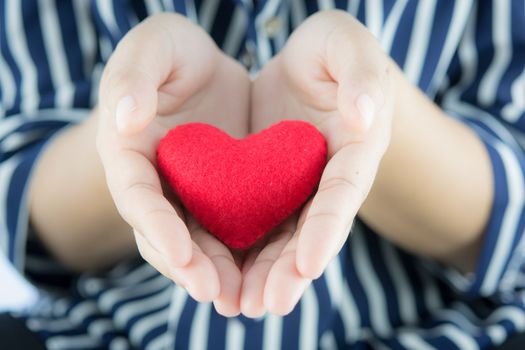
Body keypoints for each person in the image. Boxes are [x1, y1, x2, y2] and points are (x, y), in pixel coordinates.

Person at [1, 0, 525, 349]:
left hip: (444, 331)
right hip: (98, 331)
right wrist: (136, 120)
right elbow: (23, 218)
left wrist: (369, 114)